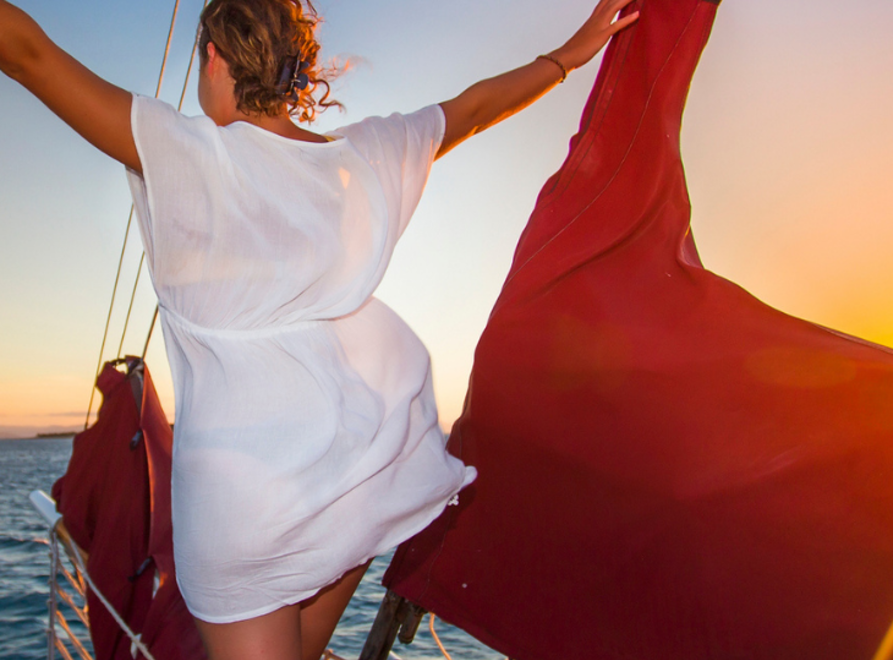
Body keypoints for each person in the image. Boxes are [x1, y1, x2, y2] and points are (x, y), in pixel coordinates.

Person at [0, 0, 639, 658]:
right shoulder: (364, 156)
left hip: (241, 508)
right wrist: (570, 54)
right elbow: (473, 108)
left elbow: (27, 53)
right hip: (359, 480)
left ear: (213, 58)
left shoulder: (177, 150)